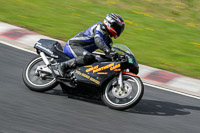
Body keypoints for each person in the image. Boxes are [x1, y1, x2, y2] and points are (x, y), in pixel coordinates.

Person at [58, 13, 125, 77]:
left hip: (83, 52)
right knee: (89, 57)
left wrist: (119, 57)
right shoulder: (99, 27)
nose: (118, 30)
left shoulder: (109, 40)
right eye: (117, 27)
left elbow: (108, 55)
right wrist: (107, 50)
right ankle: (63, 65)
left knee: (96, 61)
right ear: (110, 23)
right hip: (73, 45)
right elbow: (98, 40)